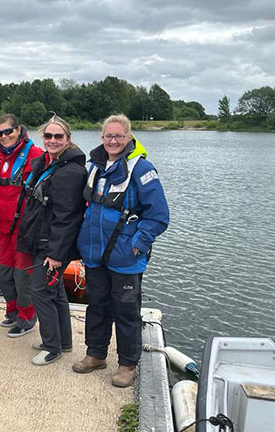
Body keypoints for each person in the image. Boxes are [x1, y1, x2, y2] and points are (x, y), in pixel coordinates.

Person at [73, 114, 169, 387]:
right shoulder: (94, 166)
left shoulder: (141, 168)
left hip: (126, 257)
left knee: (126, 311)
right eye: (108, 136)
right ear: (101, 138)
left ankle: (128, 364)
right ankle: (95, 354)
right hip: (94, 255)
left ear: (128, 137)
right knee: (97, 306)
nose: (113, 141)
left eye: (118, 136)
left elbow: (159, 215)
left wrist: (139, 243)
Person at [17, 114, 87, 366]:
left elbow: (67, 217)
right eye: (48, 136)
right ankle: (63, 341)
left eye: (59, 136)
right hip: (43, 239)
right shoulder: (48, 163)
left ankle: (51, 346)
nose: (53, 140)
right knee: (55, 292)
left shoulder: (70, 172)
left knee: (40, 292)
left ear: (68, 139)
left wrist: (56, 253)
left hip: (52, 245)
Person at [0, 114, 44, 338]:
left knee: (24, 276)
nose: (4, 137)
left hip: (24, 229)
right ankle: (12, 311)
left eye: (8, 132)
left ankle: (27, 318)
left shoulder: (36, 155)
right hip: (1, 226)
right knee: (4, 274)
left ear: (19, 130)